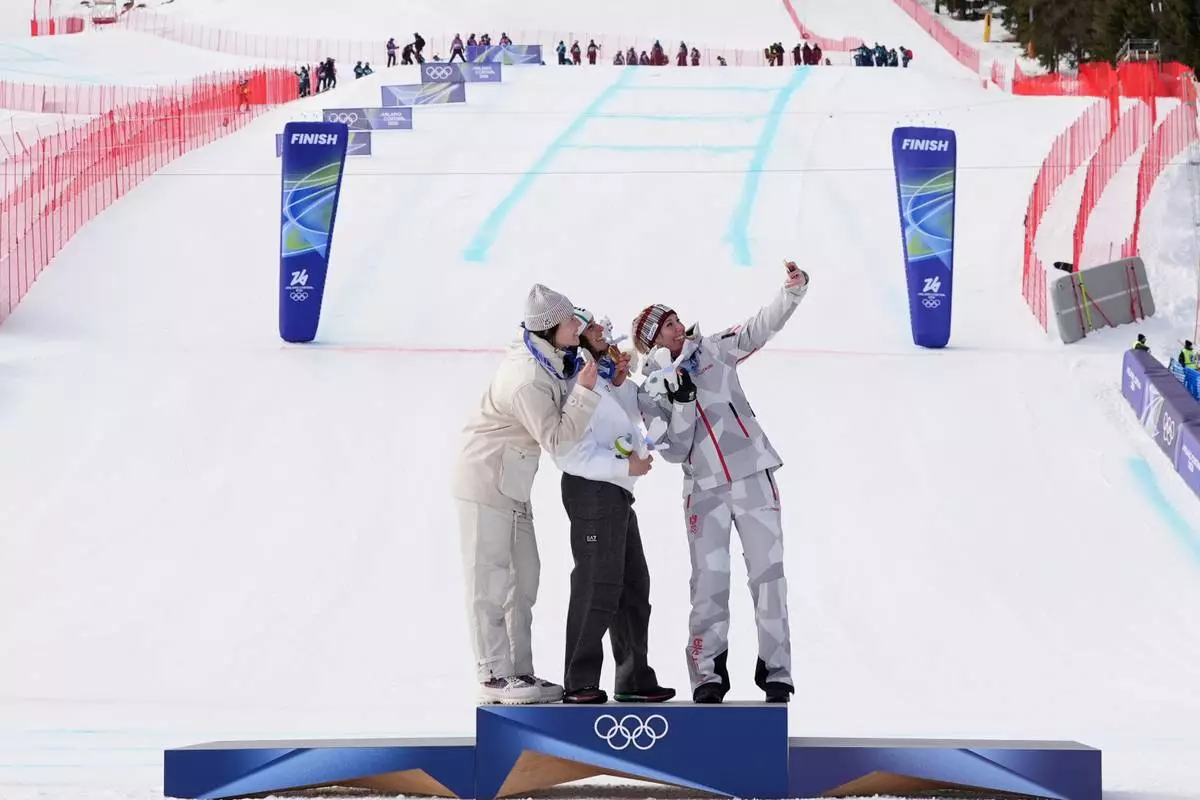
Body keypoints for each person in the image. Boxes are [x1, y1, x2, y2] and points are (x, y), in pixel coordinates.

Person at [632, 261, 810, 705]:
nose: (676, 329)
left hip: (752, 473)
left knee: (769, 576)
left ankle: (777, 672)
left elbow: (757, 328)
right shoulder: (650, 388)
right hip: (704, 490)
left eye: (675, 320)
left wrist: (792, 291)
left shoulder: (712, 349)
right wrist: (683, 402)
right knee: (709, 582)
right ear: (652, 344)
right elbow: (671, 449)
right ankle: (707, 673)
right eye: (666, 328)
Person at [452, 284, 601, 704]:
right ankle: (492, 674)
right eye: (572, 320)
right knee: (489, 579)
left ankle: (519, 672)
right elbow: (557, 440)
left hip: (512, 482)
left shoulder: (549, 357)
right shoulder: (525, 379)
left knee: (525, 577)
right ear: (551, 328)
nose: (579, 325)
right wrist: (586, 392)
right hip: (483, 480)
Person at [553, 309, 676, 705]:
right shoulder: (576, 381)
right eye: (590, 328)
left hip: (616, 493)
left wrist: (620, 381)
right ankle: (580, 680)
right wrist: (628, 465)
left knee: (633, 587)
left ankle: (633, 677)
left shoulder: (601, 377)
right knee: (598, 585)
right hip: (593, 491)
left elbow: (625, 417)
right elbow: (570, 454)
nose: (603, 330)